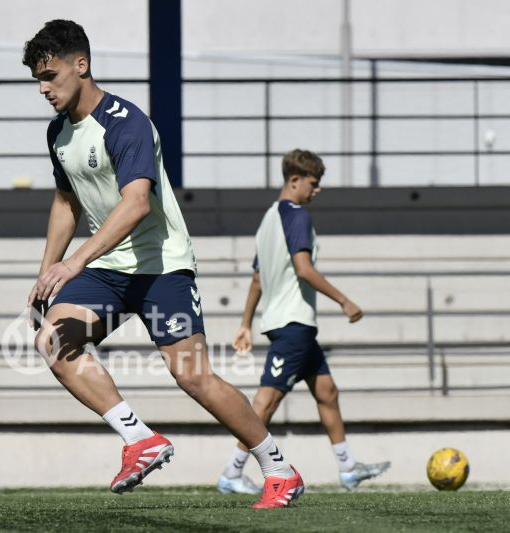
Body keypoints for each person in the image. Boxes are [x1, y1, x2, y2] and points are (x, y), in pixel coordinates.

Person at [22, 19, 303, 508]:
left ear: (81, 65)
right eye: (38, 80)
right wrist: (47, 271)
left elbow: (136, 204)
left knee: (193, 376)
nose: (44, 89)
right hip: (108, 268)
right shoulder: (59, 133)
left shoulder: (125, 121)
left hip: (161, 266)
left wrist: (74, 263)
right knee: (53, 340)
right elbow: (66, 203)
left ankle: (279, 469)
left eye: (51, 76)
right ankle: (139, 439)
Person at [216, 149, 390, 495]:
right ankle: (231, 474)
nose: (317, 189)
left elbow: (256, 279)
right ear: (294, 181)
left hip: (293, 324)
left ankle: (347, 468)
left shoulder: (268, 220)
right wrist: (344, 300)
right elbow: (303, 269)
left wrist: (245, 324)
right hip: (292, 323)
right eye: (314, 183)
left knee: (327, 392)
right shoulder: (297, 216)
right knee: (266, 401)